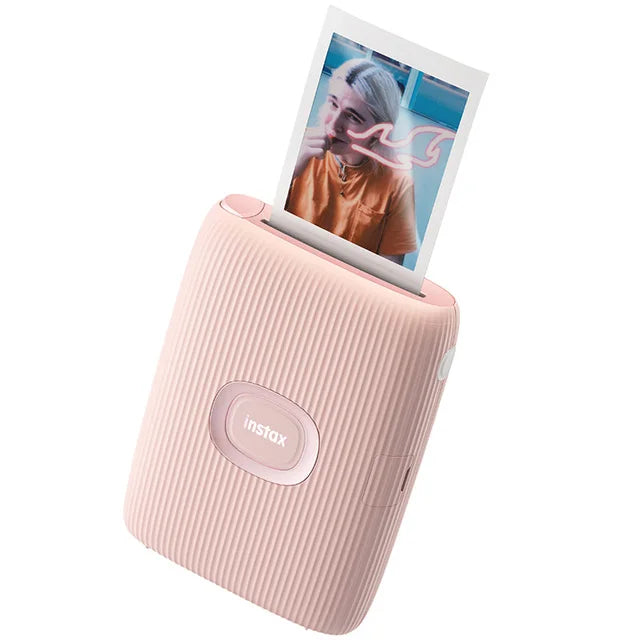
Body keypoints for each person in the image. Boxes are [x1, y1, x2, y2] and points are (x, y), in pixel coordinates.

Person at [285, 58, 417, 264]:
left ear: (380, 131)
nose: (334, 124)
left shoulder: (398, 185)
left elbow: (389, 273)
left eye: (353, 117)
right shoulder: (295, 143)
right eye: (333, 103)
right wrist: (291, 169)